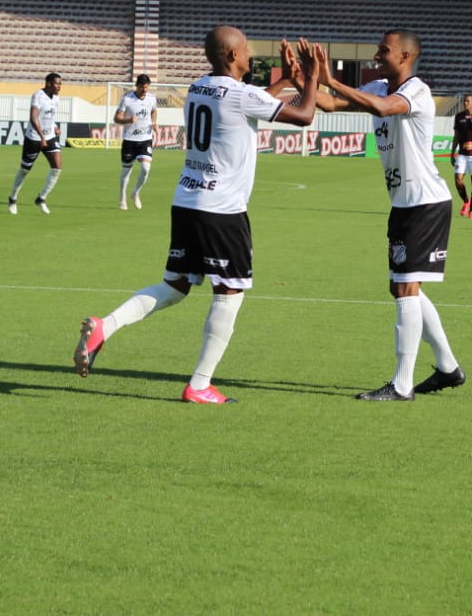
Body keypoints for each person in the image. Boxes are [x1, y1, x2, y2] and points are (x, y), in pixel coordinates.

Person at [73, 27, 319, 404]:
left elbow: (247, 105)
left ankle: (105, 326)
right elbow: (304, 115)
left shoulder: (199, 87)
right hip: (221, 210)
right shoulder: (239, 94)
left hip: (187, 201)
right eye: (246, 51)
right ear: (233, 56)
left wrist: (285, 79)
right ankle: (200, 385)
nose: (250, 57)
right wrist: (313, 73)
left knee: (175, 286)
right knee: (230, 290)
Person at [305, 29, 466, 402]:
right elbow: (329, 106)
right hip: (404, 203)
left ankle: (401, 384)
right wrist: (306, 78)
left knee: (407, 288)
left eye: (384, 50)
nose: (377, 55)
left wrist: (332, 79)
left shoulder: (416, 91)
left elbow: (382, 108)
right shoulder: (378, 87)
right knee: (402, 286)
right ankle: (448, 368)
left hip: (425, 203)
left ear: (406, 56)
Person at [7, 72, 63, 215]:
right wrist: (41, 137)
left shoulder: (56, 99)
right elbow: (34, 118)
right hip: (34, 138)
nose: (59, 86)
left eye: (60, 83)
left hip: (49, 137)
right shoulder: (38, 96)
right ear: (49, 83)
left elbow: (50, 116)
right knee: (25, 170)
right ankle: (13, 198)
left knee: (57, 167)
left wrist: (55, 126)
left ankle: (41, 198)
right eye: (57, 83)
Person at [114, 74, 158, 210]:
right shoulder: (127, 99)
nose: (144, 90)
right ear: (136, 86)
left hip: (145, 139)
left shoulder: (152, 99)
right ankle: (122, 198)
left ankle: (135, 193)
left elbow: (154, 111)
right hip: (129, 140)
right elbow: (116, 118)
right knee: (126, 171)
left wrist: (154, 123)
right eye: (142, 87)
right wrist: (128, 120)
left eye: (146, 87)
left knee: (146, 168)